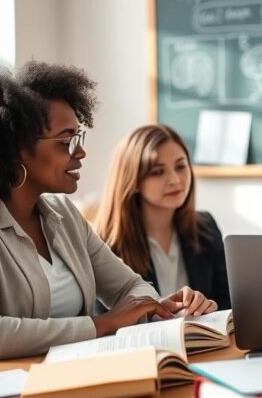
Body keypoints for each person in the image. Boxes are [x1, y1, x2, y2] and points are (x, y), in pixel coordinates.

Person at [0, 63, 211, 381]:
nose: (80, 151)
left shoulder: (62, 215)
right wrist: (103, 324)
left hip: (49, 388)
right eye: (66, 139)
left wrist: (160, 307)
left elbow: (128, 288)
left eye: (78, 136)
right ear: (15, 151)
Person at [96, 125, 229, 310]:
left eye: (180, 166)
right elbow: (106, 322)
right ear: (132, 180)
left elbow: (228, 304)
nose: (175, 179)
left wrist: (211, 307)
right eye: (158, 171)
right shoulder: (104, 245)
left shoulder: (205, 227)